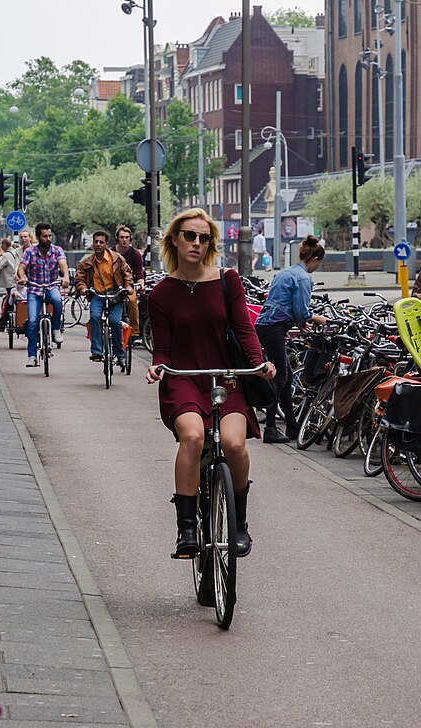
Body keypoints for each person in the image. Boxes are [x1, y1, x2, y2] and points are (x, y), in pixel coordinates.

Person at [145, 208, 276, 559]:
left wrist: (258, 362)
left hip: (226, 379)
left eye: (204, 238)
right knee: (192, 437)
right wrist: (158, 367)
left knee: (234, 444)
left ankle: (240, 525)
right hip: (183, 380)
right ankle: (186, 530)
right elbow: (164, 349)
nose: (197, 243)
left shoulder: (227, 280)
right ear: (175, 239)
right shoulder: (160, 295)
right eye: (190, 235)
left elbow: (245, 330)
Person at [254, 235, 329, 443]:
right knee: (280, 378)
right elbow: (302, 311)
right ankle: (270, 428)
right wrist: (317, 319)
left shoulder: (286, 272)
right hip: (274, 328)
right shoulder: (304, 278)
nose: (316, 267)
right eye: (318, 263)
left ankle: (292, 425)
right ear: (314, 259)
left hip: (266, 324)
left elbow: (282, 302)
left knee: (285, 377)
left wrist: (298, 322)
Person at [75, 230, 133, 366]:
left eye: (101, 242)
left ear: (106, 244)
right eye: (96, 242)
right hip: (97, 295)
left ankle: (120, 354)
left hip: (115, 295)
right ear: (93, 243)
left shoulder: (117, 258)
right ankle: (96, 351)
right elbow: (79, 279)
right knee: (94, 317)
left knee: (115, 322)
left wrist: (128, 287)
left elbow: (127, 273)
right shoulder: (87, 262)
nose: (98, 244)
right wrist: (83, 289)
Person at [16, 223, 69, 367]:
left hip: (52, 286)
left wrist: (66, 278)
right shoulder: (30, 252)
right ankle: (32, 356)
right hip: (34, 289)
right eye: (45, 236)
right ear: (38, 237)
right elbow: (21, 268)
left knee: (58, 301)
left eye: (49, 236)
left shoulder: (57, 250)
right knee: (32, 322)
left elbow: (63, 265)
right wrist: (23, 277)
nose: (48, 239)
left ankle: (56, 328)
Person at [114, 225, 144, 340]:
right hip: (114, 286)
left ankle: (135, 333)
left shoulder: (135, 254)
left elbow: (139, 273)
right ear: (117, 238)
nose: (124, 240)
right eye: (122, 237)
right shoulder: (111, 252)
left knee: (132, 302)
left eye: (127, 237)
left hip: (129, 286)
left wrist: (141, 283)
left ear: (130, 238)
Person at [0, 237, 19, 331]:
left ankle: (2, 325)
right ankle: (1, 324)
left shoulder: (6, 255)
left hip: (10, 282)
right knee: (14, 303)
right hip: (18, 281)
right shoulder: (16, 252)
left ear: (4, 245)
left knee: (8, 305)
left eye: (1, 245)